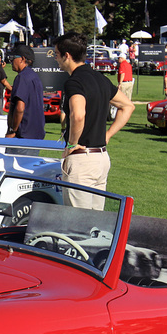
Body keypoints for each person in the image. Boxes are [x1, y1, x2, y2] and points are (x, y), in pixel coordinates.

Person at [53, 31, 135, 210]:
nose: (56, 59)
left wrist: (72, 145)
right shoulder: (100, 78)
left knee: (78, 225)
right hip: (101, 158)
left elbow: (78, 114)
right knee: (96, 224)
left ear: (67, 56)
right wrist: (108, 135)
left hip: (82, 160)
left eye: (57, 55)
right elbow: (127, 106)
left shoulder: (74, 82)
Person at [5, 43, 44, 148]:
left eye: (13, 58)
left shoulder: (22, 77)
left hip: (23, 136)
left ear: (22, 59)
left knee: (14, 164)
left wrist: (13, 130)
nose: (11, 61)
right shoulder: (35, 77)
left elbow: (20, 107)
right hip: (36, 134)